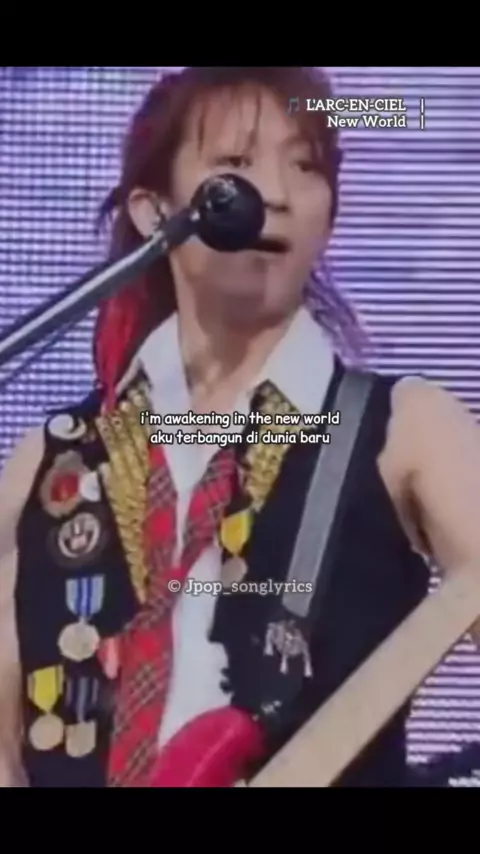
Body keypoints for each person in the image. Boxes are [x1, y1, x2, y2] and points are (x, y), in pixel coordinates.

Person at [1, 65, 480, 788]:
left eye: (306, 166)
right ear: (155, 211)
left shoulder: (407, 430)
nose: (277, 194)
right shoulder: (52, 462)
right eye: (236, 163)